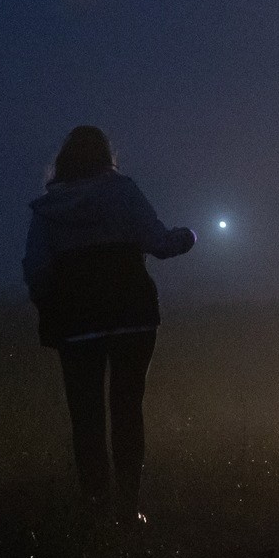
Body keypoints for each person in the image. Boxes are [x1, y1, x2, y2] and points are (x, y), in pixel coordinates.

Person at [22, 126, 196, 516]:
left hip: (77, 324)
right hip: (133, 316)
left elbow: (36, 269)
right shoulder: (124, 192)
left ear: (65, 160)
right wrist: (189, 237)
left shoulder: (48, 209)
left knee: (86, 417)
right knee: (128, 410)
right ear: (107, 156)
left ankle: (96, 504)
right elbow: (160, 243)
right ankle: (129, 505)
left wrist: (48, 305)